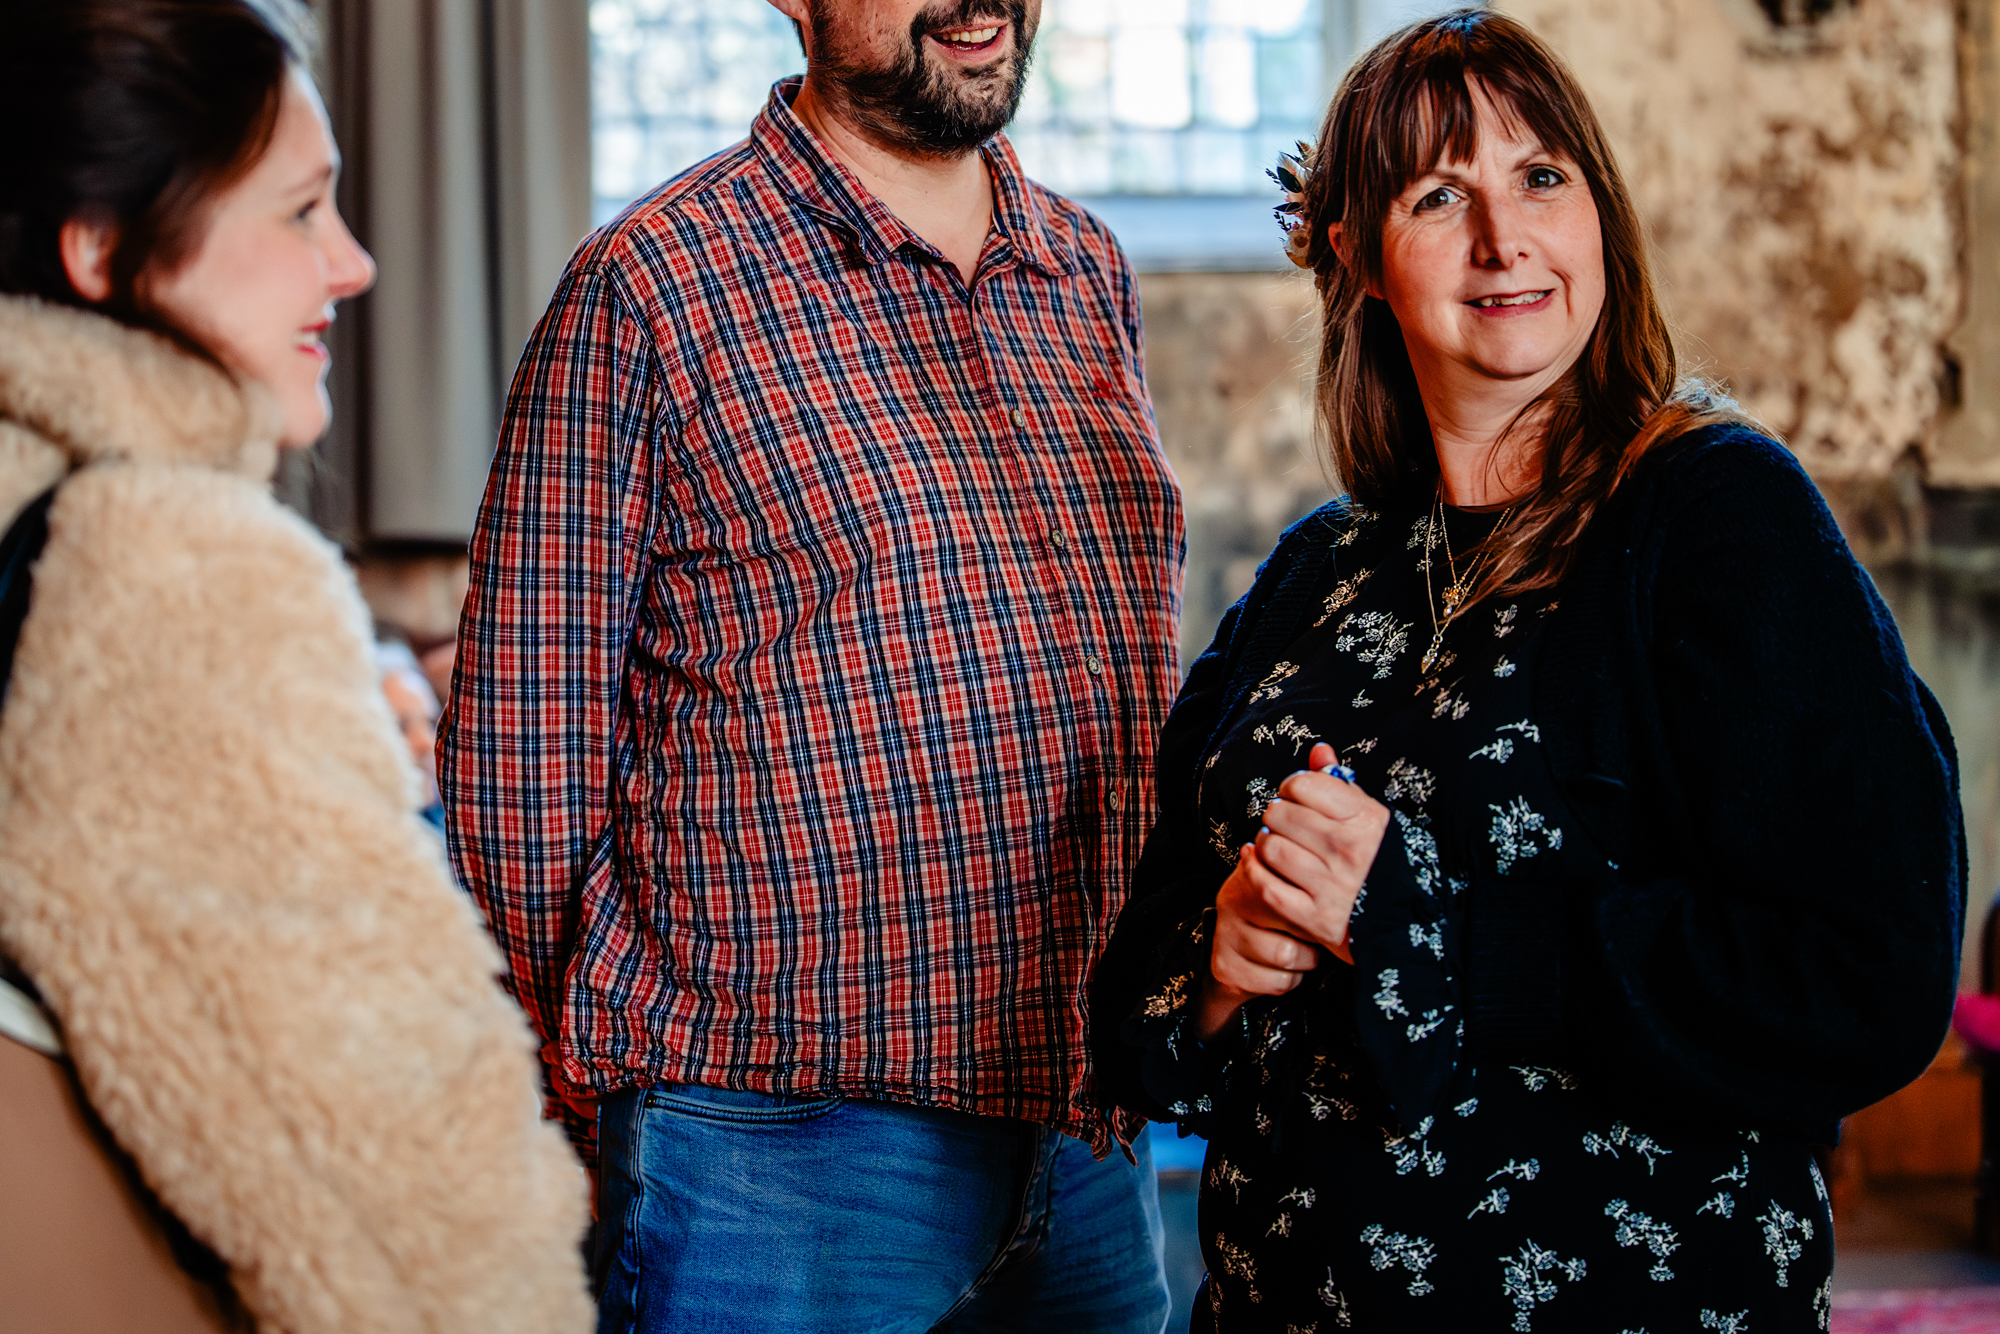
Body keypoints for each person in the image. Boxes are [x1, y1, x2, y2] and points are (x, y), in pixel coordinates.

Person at [1090, 10, 1965, 1331]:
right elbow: (1138, 981)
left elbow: (1870, 973)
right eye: (1442, 196)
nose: (1506, 240)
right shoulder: (1315, 574)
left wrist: (1425, 923)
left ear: (1598, 213)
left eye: (1542, 178)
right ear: (1358, 259)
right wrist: (1227, 951)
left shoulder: (1714, 517)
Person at [439, 0, 1183, 1329]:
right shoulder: (653, 280)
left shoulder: (1088, 268)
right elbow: (521, 741)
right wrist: (600, 1066)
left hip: (1080, 1122)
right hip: (772, 1142)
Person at [0, 3, 593, 1331]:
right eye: (301, 212)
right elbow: (395, 1152)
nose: (356, 263)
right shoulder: (176, 562)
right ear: (103, 248)